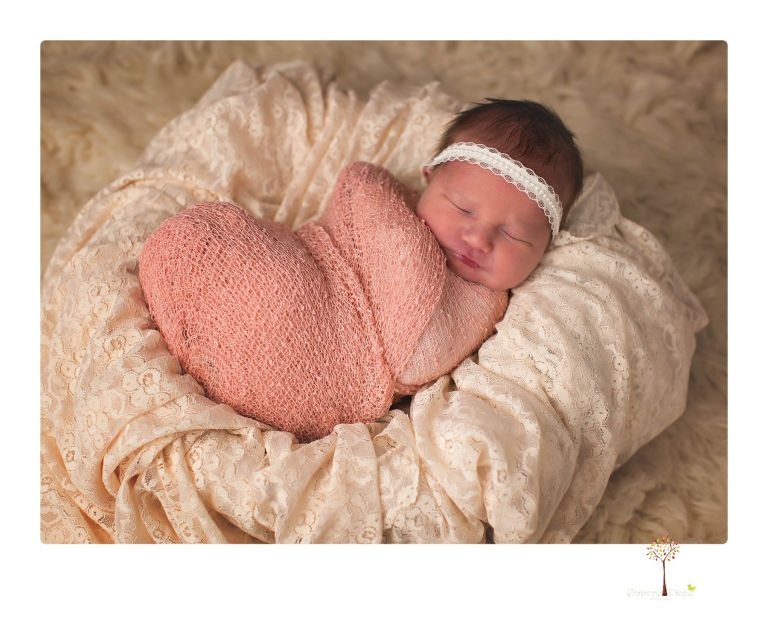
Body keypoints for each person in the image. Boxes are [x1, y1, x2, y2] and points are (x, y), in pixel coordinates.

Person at [139, 99, 583, 442]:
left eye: (514, 235)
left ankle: (234, 366)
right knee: (207, 239)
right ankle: (209, 327)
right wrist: (402, 242)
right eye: (463, 208)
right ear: (428, 181)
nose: (479, 239)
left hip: (330, 349)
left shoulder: (485, 303)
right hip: (312, 266)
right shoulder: (389, 201)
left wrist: (414, 269)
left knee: (278, 303)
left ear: (546, 246)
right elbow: (355, 195)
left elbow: (417, 356)